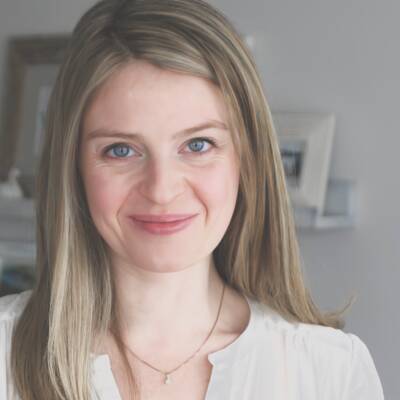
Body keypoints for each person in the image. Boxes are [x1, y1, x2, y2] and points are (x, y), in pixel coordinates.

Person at [0, 0, 384, 399]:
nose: (162, 189)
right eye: (120, 150)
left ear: (247, 158)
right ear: (73, 165)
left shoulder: (329, 372)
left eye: (197, 144)